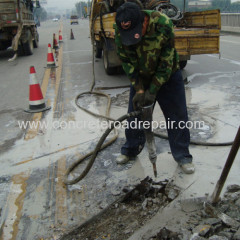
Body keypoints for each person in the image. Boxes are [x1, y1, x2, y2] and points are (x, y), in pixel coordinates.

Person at [114, 2, 195, 174]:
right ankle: (130, 150)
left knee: (177, 116)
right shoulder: (120, 27)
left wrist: (153, 90)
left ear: (144, 21)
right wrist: (140, 89)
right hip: (141, 78)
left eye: (135, 32)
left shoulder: (163, 23)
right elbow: (126, 61)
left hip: (168, 76)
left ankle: (183, 155)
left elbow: (166, 61)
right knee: (134, 115)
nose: (132, 37)